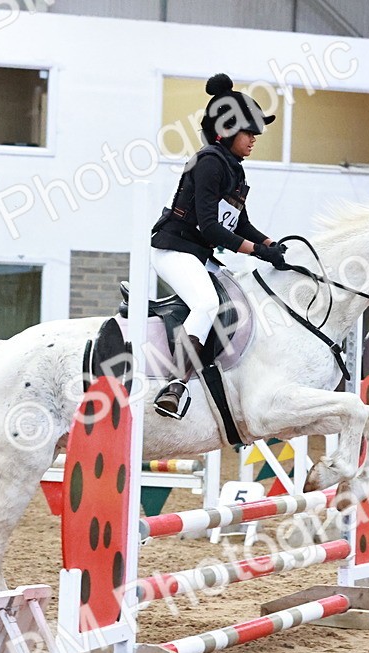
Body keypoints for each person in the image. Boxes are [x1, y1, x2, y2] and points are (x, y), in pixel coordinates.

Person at [149, 73, 287, 419]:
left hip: (197, 253)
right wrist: (257, 251)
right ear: (225, 131)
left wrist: (271, 244)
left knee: (241, 295)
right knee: (207, 302)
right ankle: (175, 385)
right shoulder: (209, 162)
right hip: (173, 249)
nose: (254, 139)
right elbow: (210, 227)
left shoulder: (233, 168)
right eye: (249, 132)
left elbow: (238, 223)